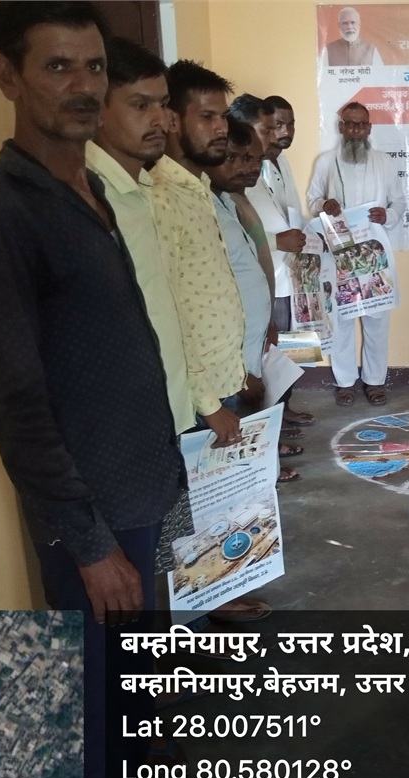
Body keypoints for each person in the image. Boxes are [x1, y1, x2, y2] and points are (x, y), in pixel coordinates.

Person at [0, 5, 184, 778]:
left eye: (94, 68)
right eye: (57, 67)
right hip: (92, 520)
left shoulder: (91, 190)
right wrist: (88, 543)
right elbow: (13, 403)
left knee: (133, 688)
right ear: (7, 76)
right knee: (94, 710)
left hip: (139, 493)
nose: (83, 86)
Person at [87, 37, 195, 438]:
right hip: (128, 427)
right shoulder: (91, 198)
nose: (160, 120)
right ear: (99, 110)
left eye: (163, 104)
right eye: (140, 105)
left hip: (172, 411)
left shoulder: (144, 189)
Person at [150, 59, 246, 447]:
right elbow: (167, 312)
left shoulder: (198, 188)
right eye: (207, 117)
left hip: (222, 383)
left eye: (223, 116)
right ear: (172, 120)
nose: (222, 128)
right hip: (199, 403)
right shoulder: (160, 197)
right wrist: (208, 405)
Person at [205, 117, 302, 483]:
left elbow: (247, 271)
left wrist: (265, 325)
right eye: (235, 157)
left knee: (251, 427)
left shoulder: (230, 202)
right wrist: (242, 370)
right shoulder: (206, 207)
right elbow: (211, 300)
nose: (247, 167)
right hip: (228, 362)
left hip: (251, 343)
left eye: (252, 159)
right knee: (229, 454)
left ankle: (264, 474)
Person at [307, 101, 404, 406]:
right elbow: (312, 200)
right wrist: (324, 205)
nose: (355, 130)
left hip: (374, 255)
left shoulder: (385, 162)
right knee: (343, 320)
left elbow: (399, 203)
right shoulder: (326, 162)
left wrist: (387, 215)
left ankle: (375, 382)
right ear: (341, 127)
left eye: (361, 124)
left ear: (369, 128)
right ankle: (345, 382)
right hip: (338, 255)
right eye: (350, 124)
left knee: (377, 321)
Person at [234, 93, 316, 433]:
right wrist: (277, 242)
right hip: (268, 276)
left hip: (293, 270)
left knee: (295, 348)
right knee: (268, 353)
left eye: (286, 125)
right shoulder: (238, 170)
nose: (281, 133)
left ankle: (285, 406)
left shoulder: (279, 163)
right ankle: (270, 422)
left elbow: (290, 210)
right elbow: (235, 233)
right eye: (271, 127)